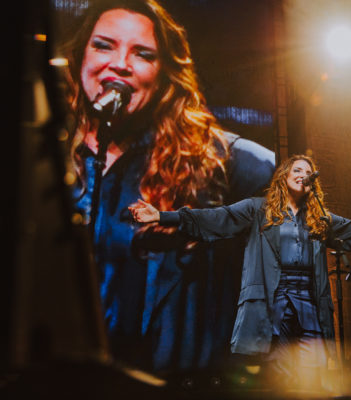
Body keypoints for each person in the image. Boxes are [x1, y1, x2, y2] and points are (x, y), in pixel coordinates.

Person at [62, 0, 275, 375]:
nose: (121, 64)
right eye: (104, 46)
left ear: (163, 75)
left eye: (142, 54)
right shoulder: (46, 156)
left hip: (168, 381)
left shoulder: (214, 159)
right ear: (81, 57)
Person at [129, 155, 351, 389]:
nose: (302, 175)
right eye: (297, 170)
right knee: (276, 373)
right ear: (284, 177)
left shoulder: (320, 218)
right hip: (272, 298)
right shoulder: (257, 209)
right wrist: (163, 216)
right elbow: (216, 218)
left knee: (312, 371)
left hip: (310, 300)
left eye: (308, 173)